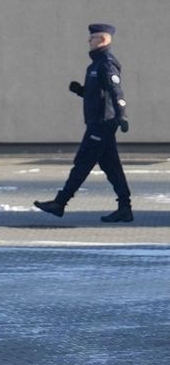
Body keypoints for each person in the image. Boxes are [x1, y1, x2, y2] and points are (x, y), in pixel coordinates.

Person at [34, 23, 133, 223]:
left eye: (93, 38)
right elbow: (100, 94)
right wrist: (81, 91)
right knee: (111, 166)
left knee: (83, 162)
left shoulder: (106, 63)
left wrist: (122, 114)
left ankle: (60, 203)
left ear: (103, 40)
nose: (89, 40)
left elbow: (116, 91)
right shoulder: (95, 65)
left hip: (102, 124)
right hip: (98, 122)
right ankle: (125, 208)